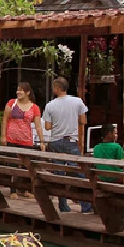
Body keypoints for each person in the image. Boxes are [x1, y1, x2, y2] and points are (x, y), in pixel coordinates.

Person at [42, 77, 88, 213]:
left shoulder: (50, 105)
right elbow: (83, 121)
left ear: (56, 88)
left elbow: (48, 126)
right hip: (71, 140)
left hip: (56, 141)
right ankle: (86, 205)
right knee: (79, 172)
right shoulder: (77, 101)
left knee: (59, 173)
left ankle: (63, 205)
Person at [4, 83, 45, 197]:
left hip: (26, 140)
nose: (18, 92)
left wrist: (42, 141)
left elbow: (38, 126)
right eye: (18, 90)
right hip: (12, 139)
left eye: (21, 90)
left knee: (26, 166)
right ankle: (13, 190)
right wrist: (3, 135)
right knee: (13, 165)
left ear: (27, 92)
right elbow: (5, 119)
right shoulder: (12, 103)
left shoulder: (34, 107)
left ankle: (24, 189)